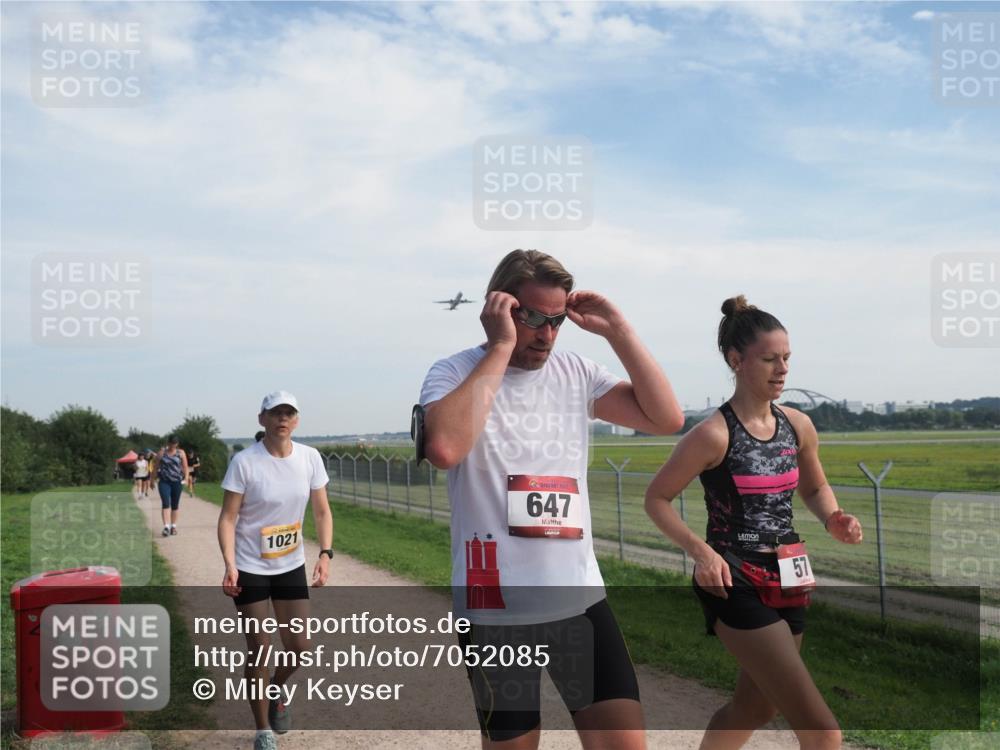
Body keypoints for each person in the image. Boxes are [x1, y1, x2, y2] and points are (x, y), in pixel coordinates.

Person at [419, 249, 684, 750]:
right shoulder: (454, 373)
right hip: (494, 609)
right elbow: (445, 448)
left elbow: (666, 418)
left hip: (577, 600)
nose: (545, 334)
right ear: (500, 307)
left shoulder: (576, 371)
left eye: (556, 321)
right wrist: (499, 348)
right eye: (532, 318)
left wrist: (619, 331)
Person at [644, 296, 863, 750]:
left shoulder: (798, 425)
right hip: (734, 579)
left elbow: (814, 488)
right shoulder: (712, 435)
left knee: (757, 707)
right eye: (770, 359)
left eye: (786, 358)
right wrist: (701, 553)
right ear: (736, 360)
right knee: (823, 731)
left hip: (789, 575)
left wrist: (834, 517)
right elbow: (658, 499)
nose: (782, 369)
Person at [218, 391, 333, 750]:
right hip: (250, 566)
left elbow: (322, 512)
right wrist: (229, 564)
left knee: (299, 646)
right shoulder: (244, 462)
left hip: (290, 564)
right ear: (262, 419)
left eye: (289, 413)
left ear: (296, 421)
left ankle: (276, 687)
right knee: (260, 649)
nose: (282, 419)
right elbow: (228, 518)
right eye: (275, 413)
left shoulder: (310, 458)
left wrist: (325, 553)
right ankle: (263, 729)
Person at [156, 435, 189, 537]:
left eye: (174, 443)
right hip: (164, 481)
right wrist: (152, 479)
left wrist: (186, 478)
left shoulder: (181, 453)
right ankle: (166, 527)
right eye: (171, 443)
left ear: (177, 444)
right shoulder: (162, 453)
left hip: (177, 482)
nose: (172, 445)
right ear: (168, 443)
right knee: (166, 503)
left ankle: (173, 526)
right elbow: (156, 466)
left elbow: (185, 467)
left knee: (175, 505)